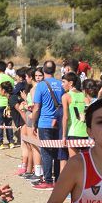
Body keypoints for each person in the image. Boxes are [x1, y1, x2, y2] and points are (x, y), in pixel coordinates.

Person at [32, 60, 65, 189]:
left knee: (45, 151)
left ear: (44, 70)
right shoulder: (60, 85)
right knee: (57, 151)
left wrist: (34, 123)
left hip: (44, 122)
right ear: (55, 70)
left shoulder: (40, 86)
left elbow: (36, 107)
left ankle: (47, 180)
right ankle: (57, 178)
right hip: (58, 122)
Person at [61, 71, 88, 158]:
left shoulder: (66, 96)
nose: (62, 84)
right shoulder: (84, 96)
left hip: (73, 132)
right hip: (85, 133)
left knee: (74, 163)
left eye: (63, 82)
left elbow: (65, 117)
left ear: (71, 83)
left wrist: (64, 136)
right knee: (85, 164)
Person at [0, 62, 14, 148]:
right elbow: (12, 90)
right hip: (8, 103)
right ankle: (11, 142)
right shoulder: (10, 78)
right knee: (8, 123)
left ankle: (0, 143)